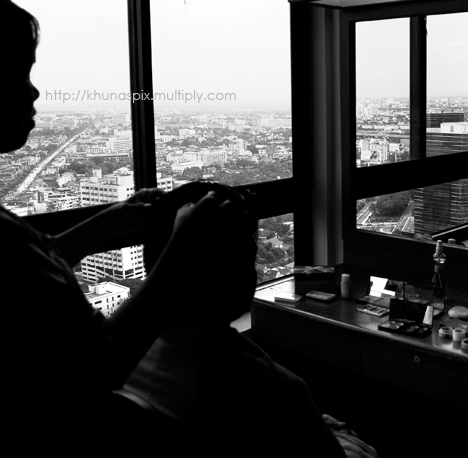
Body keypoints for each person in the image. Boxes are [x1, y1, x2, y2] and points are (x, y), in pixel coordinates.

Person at [0, 0, 235, 456]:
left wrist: (105, 225)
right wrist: (180, 256)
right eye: (17, 72)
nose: (33, 93)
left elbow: (18, 280)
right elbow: (99, 362)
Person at [122, 182, 380, 458]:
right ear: (236, 274)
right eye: (250, 254)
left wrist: (308, 424)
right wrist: (337, 438)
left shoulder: (117, 360)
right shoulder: (277, 391)